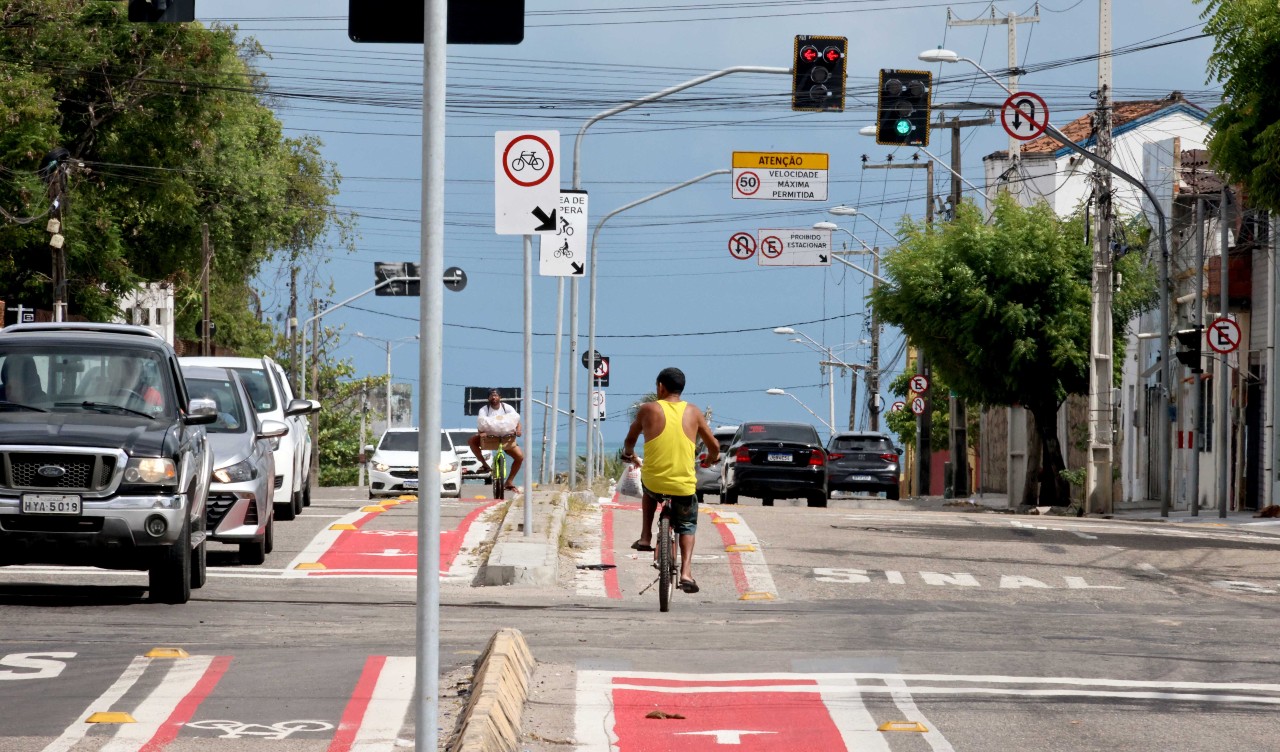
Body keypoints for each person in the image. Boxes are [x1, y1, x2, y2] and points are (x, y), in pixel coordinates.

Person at [620, 367, 718, 594]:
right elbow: (713, 446)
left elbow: (630, 439)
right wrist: (710, 460)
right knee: (687, 524)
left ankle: (645, 537)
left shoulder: (648, 409)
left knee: (649, 491)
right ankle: (686, 572)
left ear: (660, 387)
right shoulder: (693, 412)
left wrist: (628, 453)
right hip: (683, 485)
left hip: (654, 481)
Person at [469, 389, 523, 492]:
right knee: (471, 441)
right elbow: (480, 423)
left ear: (500, 397)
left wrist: (518, 431)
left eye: (496, 395)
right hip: (490, 439)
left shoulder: (507, 408)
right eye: (491, 396)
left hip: (506, 438)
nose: (494, 398)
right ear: (488, 398)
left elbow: (517, 421)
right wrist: (481, 433)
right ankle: (485, 465)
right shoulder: (484, 409)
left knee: (520, 457)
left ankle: (509, 481)